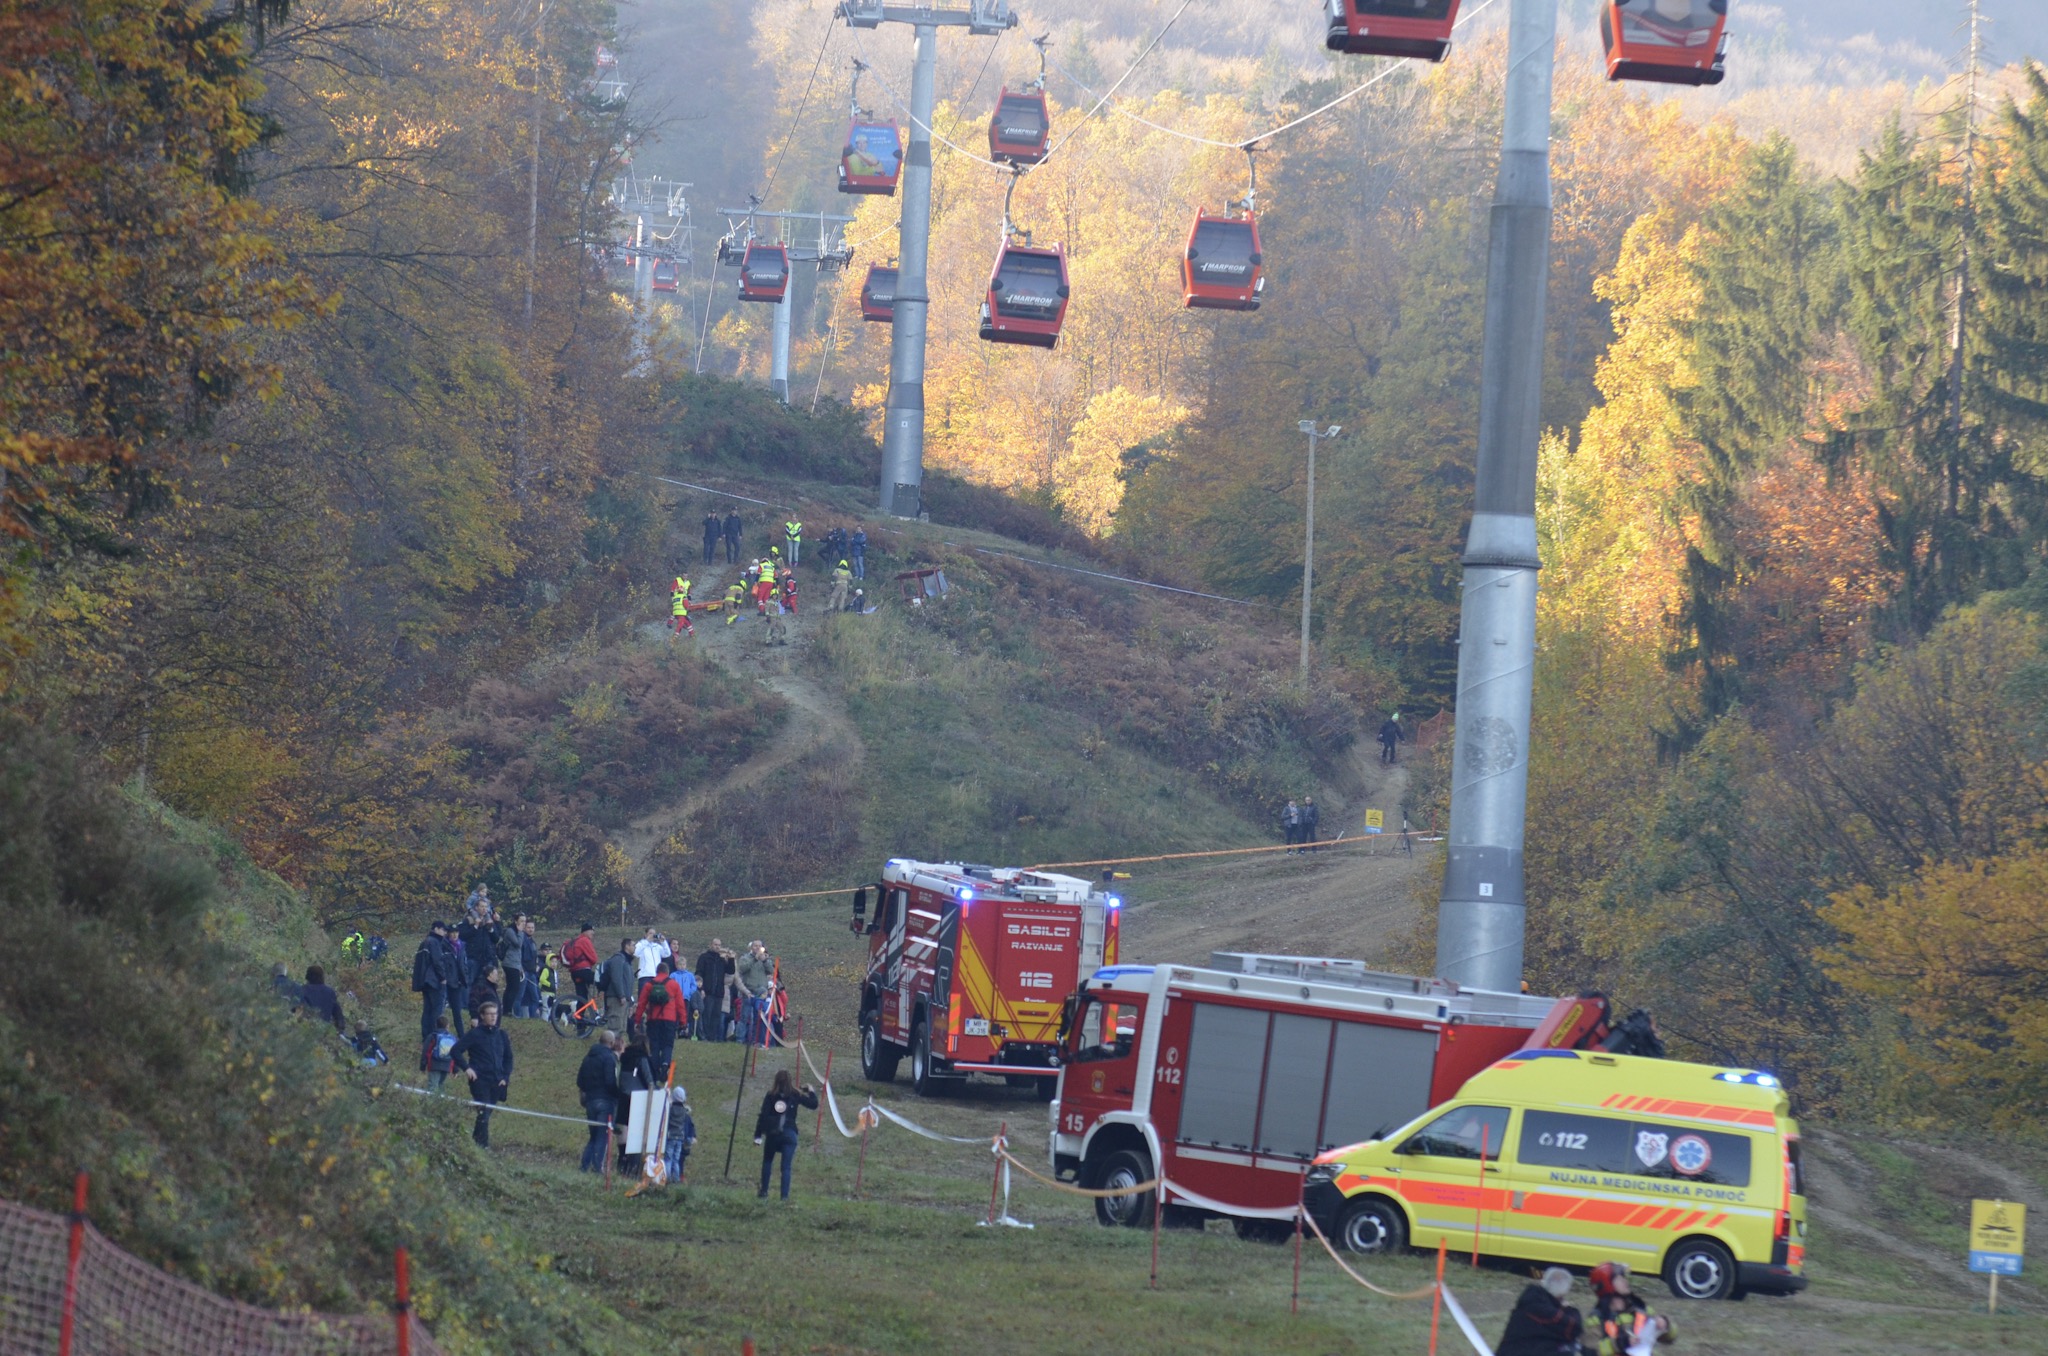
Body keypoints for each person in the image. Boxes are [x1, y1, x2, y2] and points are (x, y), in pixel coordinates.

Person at [450, 1000, 513, 1148]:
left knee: (486, 1114)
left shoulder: (501, 1035)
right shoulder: (474, 1034)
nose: (493, 1017)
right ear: (482, 1016)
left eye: (495, 1014)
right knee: (483, 1113)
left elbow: (509, 1058)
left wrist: (505, 1077)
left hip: (497, 1081)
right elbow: (455, 1051)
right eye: (489, 1014)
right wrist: (467, 1068)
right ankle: (483, 1146)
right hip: (480, 1080)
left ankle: (474, 1144)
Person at [753, 1069, 819, 1200]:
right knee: (786, 1167)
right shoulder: (795, 1094)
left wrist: (758, 1136)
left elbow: (763, 1116)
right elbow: (813, 1104)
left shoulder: (770, 1095)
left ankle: (764, 1192)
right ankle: (784, 1197)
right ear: (790, 1081)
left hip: (773, 1134)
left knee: (767, 1161)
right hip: (789, 1134)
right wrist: (811, 1091)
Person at [1496, 1267, 1586, 1356]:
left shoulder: (1533, 1300)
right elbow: (1574, 1327)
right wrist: (1568, 1309)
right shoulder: (1540, 1308)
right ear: (1561, 1294)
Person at [1589, 1261, 1672, 1355]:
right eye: (1620, 1279)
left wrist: (1665, 1324)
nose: (1626, 1282)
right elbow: (1590, 1350)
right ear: (1607, 1285)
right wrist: (1621, 1343)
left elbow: (1670, 1338)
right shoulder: (1597, 1318)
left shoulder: (1641, 1309)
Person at [576, 1029, 621, 1173]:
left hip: (590, 1101)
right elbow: (610, 1081)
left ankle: (584, 1166)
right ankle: (597, 1168)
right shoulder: (609, 1058)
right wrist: (617, 1095)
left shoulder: (588, 1057)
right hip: (605, 1101)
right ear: (611, 1043)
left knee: (593, 1136)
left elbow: (579, 1080)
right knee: (603, 1136)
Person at [633, 962, 686, 1080]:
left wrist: (637, 1020)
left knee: (654, 1045)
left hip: (653, 1019)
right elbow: (680, 1005)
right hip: (669, 1019)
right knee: (668, 1044)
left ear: (657, 972)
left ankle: (654, 1071)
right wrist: (683, 1022)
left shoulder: (649, 985)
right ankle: (665, 1064)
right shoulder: (674, 984)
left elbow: (641, 1004)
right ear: (667, 972)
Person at [413, 920, 457, 1041]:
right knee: (437, 1009)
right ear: (436, 929)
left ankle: (426, 1036)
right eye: (443, 930)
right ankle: (436, 1035)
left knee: (427, 1009)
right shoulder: (435, 942)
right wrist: (443, 978)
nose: (445, 933)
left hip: (425, 982)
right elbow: (437, 961)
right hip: (435, 981)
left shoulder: (425, 942)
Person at [736, 940, 775, 1046]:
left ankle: (755, 1040)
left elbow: (772, 970)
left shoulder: (765, 958)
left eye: (759, 946)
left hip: (761, 993)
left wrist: (765, 960)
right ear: (751, 948)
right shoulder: (745, 958)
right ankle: (740, 1039)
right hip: (749, 991)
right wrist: (754, 959)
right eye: (755, 946)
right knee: (744, 1016)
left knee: (758, 1018)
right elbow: (742, 969)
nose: (757, 948)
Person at [696, 940, 734, 1041]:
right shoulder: (704, 957)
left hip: (718, 992)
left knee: (716, 1016)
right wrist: (701, 988)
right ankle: (704, 1036)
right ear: (711, 945)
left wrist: (731, 959)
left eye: (719, 945)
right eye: (715, 944)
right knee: (707, 1015)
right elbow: (699, 973)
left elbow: (731, 971)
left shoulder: (721, 960)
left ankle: (712, 1037)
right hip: (707, 991)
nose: (717, 947)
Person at [663, 1084, 697, 1182]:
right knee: (676, 1160)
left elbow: (667, 1104)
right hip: (680, 1139)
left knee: (668, 1159)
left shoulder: (671, 1109)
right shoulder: (684, 1112)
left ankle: (667, 1178)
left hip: (670, 1137)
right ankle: (676, 1179)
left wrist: (667, 1093)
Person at [297, 965, 346, 1034]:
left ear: (308, 976)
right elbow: (338, 1013)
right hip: (322, 1030)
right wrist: (340, 1028)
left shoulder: (303, 989)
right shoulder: (330, 992)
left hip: (304, 1028)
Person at [561, 922, 599, 1004]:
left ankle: (579, 1016)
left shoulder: (574, 941)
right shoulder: (585, 940)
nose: (593, 933)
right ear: (584, 932)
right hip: (584, 971)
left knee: (582, 997)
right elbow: (594, 958)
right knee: (604, 982)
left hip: (574, 973)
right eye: (591, 930)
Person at [600, 938, 636, 1022]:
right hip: (616, 999)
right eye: (633, 945)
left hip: (624, 999)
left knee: (621, 1028)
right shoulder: (618, 959)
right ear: (627, 946)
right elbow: (616, 978)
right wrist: (621, 995)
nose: (635, 947)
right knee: (615, 1025)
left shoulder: (627, 961)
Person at [421, 1012, 457, 1092]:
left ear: (436, 1025)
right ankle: (441, 1103)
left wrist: (423, 1066)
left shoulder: (432, 1036)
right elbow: (456, 1054)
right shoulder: (453, 1038)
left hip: (434, 1064)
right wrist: (455, 1069)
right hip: (447, 1065)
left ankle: (431, 1103)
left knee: (433, 1086)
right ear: (447, 1026)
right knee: (441, 1085)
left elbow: (425, 1051)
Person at [632, 926, 671, 999]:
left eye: (654, 933)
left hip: (656, 976)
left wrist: (663, 942)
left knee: (656, 999)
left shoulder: (657, 946)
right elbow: (635, 952)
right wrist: (646, 941)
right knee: (643, 998)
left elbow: (667, 954)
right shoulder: (641, 945)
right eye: (650, 933)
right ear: (645, 934)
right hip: (645, 976)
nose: (652, 935)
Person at [499, 915, 527, 1015]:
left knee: (511, 987)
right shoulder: (511, 931)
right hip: (510, 963)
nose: (524, 923)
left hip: (515, 963)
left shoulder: (519, 933)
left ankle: (507, 1010)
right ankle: (507, 1010)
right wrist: (520, 932)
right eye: (521, 921)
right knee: (513, 987)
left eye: (525, 921)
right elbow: (518, 944)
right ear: (516, 921)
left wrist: (520, 966)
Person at [516, 917, 542, 1017]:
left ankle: (533, 1018)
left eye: (532, 927)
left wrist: (537, 965)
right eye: (528, 927)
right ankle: (517, 1017)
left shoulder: (533, 942)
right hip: (524, 972)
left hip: (532, 973)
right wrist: (520, 968)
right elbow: (519, 955)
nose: (530, 929)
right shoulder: (522, 939)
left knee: (535, 997)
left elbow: (535, 957)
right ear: (524, 928)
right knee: (520, 996)